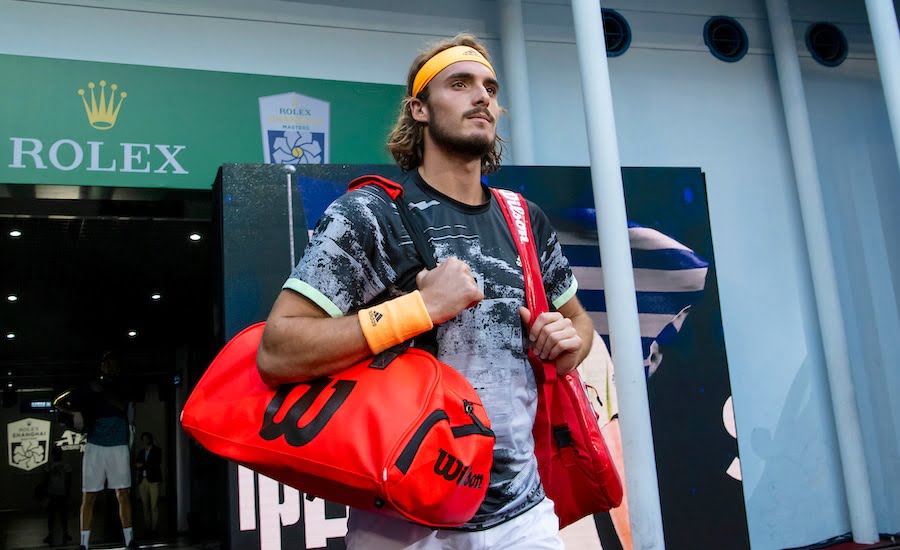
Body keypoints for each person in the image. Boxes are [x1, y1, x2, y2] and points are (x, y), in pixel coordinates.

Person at [257, 33, 594, 549]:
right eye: (459, 84)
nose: (481, 96)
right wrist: (419, 308)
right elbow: (279, 350)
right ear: (419, 109)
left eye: (489, 87)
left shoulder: (523, 219)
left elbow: (581, 324)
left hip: (521, 519)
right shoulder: (368, 215)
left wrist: (567, 343)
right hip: (403, 523)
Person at [53, 351, 136, 550]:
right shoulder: (89, 386)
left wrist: (101, 391)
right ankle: (83, 544)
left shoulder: (123, 384)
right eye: (106, 362)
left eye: (113, 362)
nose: (110, 366)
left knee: (123, 493)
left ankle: (130, 541)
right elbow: (57, 402)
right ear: (101, 365)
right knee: (88, 495)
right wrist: (75, 411)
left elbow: (123, 405)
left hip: (118, 444)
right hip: (95, 445)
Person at [43, 446, 74, 546]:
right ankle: (55, 533)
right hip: (54, 493)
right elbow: (46, 480)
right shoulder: (63, 466)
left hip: (59, 493)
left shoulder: (64, 466)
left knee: (60, 515)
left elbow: (68, 480)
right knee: (55, 515)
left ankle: (61, 533)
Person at [135, 431, 162, 536]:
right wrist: (143, 465)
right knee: (145, 506)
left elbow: (155, 463)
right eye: (144, 439)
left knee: (154, 505)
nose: (145, 441)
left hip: (153, 480)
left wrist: (143, 465)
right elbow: (137, 464)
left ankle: (155, 528)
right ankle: (147, 527)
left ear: (150, 439)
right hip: (143, 481)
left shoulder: (157, 451)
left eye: (147, 438)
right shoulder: (141, 452)